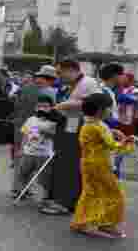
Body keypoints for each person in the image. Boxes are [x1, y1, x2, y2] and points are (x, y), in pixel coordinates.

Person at [71, 93, 136, 238]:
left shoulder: (91, 124)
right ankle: (106, 223)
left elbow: (103, 137)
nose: (111, 111)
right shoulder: (96, 127)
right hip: (99, 165)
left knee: (91, 193)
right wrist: (130, 141)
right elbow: (113, 145)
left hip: (90, 164)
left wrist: (112, 132)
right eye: (109, 108)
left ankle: (84, 222)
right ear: (100, 110)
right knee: (114, 194)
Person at [43, 59, 101, 215]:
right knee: (63, 165)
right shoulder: (70, 85)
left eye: (60, 72)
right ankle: (62, 199)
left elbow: (95, 103)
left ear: (71, 70)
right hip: (68, 128)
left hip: (79, 129)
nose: (59, 76)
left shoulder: (88, 82)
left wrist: (65, 105)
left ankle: (66, 202)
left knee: (71, 167)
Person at [12, 98, 58, 203]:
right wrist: (20, 149)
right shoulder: (31, 119)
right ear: (35, 108)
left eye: (46, 106)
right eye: (40, 106)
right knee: (23, 173)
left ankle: (46, 197)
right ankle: (23, 191)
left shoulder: (53, 122)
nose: (42, 108)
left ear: (51, 108)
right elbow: (24, 134)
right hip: (28, 152)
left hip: (44, 154)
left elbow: (55, 136)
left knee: (44, 179)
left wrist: (46, 132)